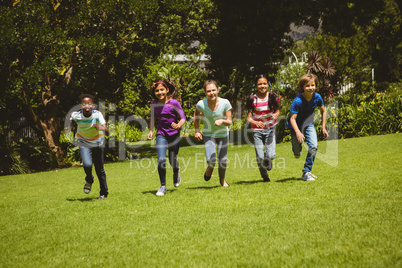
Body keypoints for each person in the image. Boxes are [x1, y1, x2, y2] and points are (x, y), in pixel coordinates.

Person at [286, 73, 329, 181]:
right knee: (297, 152)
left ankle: (306, 172)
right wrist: (297, 132)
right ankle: (297, 150)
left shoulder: (317, 97)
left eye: (313, 85)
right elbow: (292, 119)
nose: (310, 88)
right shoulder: (297, 101)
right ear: (303, 87)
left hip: (308, 124)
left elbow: (323, 111)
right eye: (307, 86)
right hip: (295, 125)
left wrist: (323, 127)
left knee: (314, 146)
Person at [147, 80, 186, 196]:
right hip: (161, 134)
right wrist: (150, 130)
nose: (160, 92)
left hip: (174, 135)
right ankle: (163, 186)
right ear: (154, 93)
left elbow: (183, 117)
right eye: (157, 91)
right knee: (161, 160)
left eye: (162, 90)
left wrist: (179, 125)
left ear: (167, 90)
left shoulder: (174, 103)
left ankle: (176, 171)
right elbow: (153, 118)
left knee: (172, 160)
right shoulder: (154, 104)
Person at [70, 94, 109, 199]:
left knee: (99, 169)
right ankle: (89, 179)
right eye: (84, 104)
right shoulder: (76, 115)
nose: (87, 106)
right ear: (81, 105)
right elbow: (71, 120)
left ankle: (104, 193)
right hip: (83, 142)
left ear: (93, 105)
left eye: (89, 103)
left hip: (97, 143)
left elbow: (107, 131)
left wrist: (100, 127)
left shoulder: (98, 115)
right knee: (87, 164)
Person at [194, 80, 232, 187]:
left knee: (222, 160)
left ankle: (222, 181)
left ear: (218, 90)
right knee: (211, 160)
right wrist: (197, 131)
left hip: (223, 134)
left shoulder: (225, 103)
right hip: (209, 134)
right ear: (205, 92)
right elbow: (196, 115)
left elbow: (230, 122)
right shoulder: (201, 104)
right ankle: (210, 167)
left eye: (213, 90)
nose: (212, 93)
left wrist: (222, 121)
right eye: (209, 91)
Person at [246, 74, 280, 182]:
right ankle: (265, 176)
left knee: (271, 155)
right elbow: (249, 118)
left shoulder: (272, 96)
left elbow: (277, 110)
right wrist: (255, 122)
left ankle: (268, 159)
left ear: (268, 84)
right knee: (260, 157)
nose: (262, 86)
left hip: (270, 129)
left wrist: (276, 115)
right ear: (256, 86)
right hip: (257, 131)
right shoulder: (253, 98)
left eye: (264, 83)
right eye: (259, 84)